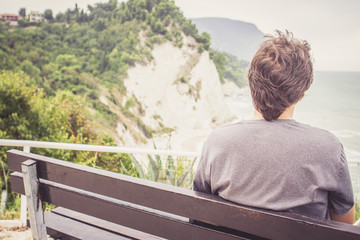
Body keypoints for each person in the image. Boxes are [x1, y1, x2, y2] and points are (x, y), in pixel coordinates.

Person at [193, 30, 355, 224]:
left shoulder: (217, 141)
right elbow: (344, 225)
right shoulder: (329, 148)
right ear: (301, 94)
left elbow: (199, 208)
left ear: (252, 85)